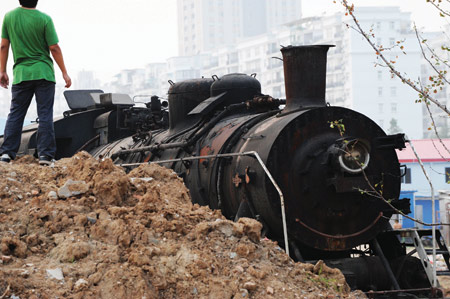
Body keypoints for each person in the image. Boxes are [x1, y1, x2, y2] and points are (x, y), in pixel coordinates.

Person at [0, 0, 71, 165]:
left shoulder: (9, 17)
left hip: (21, 74)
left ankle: (6, 154)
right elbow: (54, 47)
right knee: (45, 114)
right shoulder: (44, 19)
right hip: (44, 73)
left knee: (16, 114)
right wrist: (64, 72)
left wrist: (2, 70)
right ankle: (45, 156)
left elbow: (4, 46)